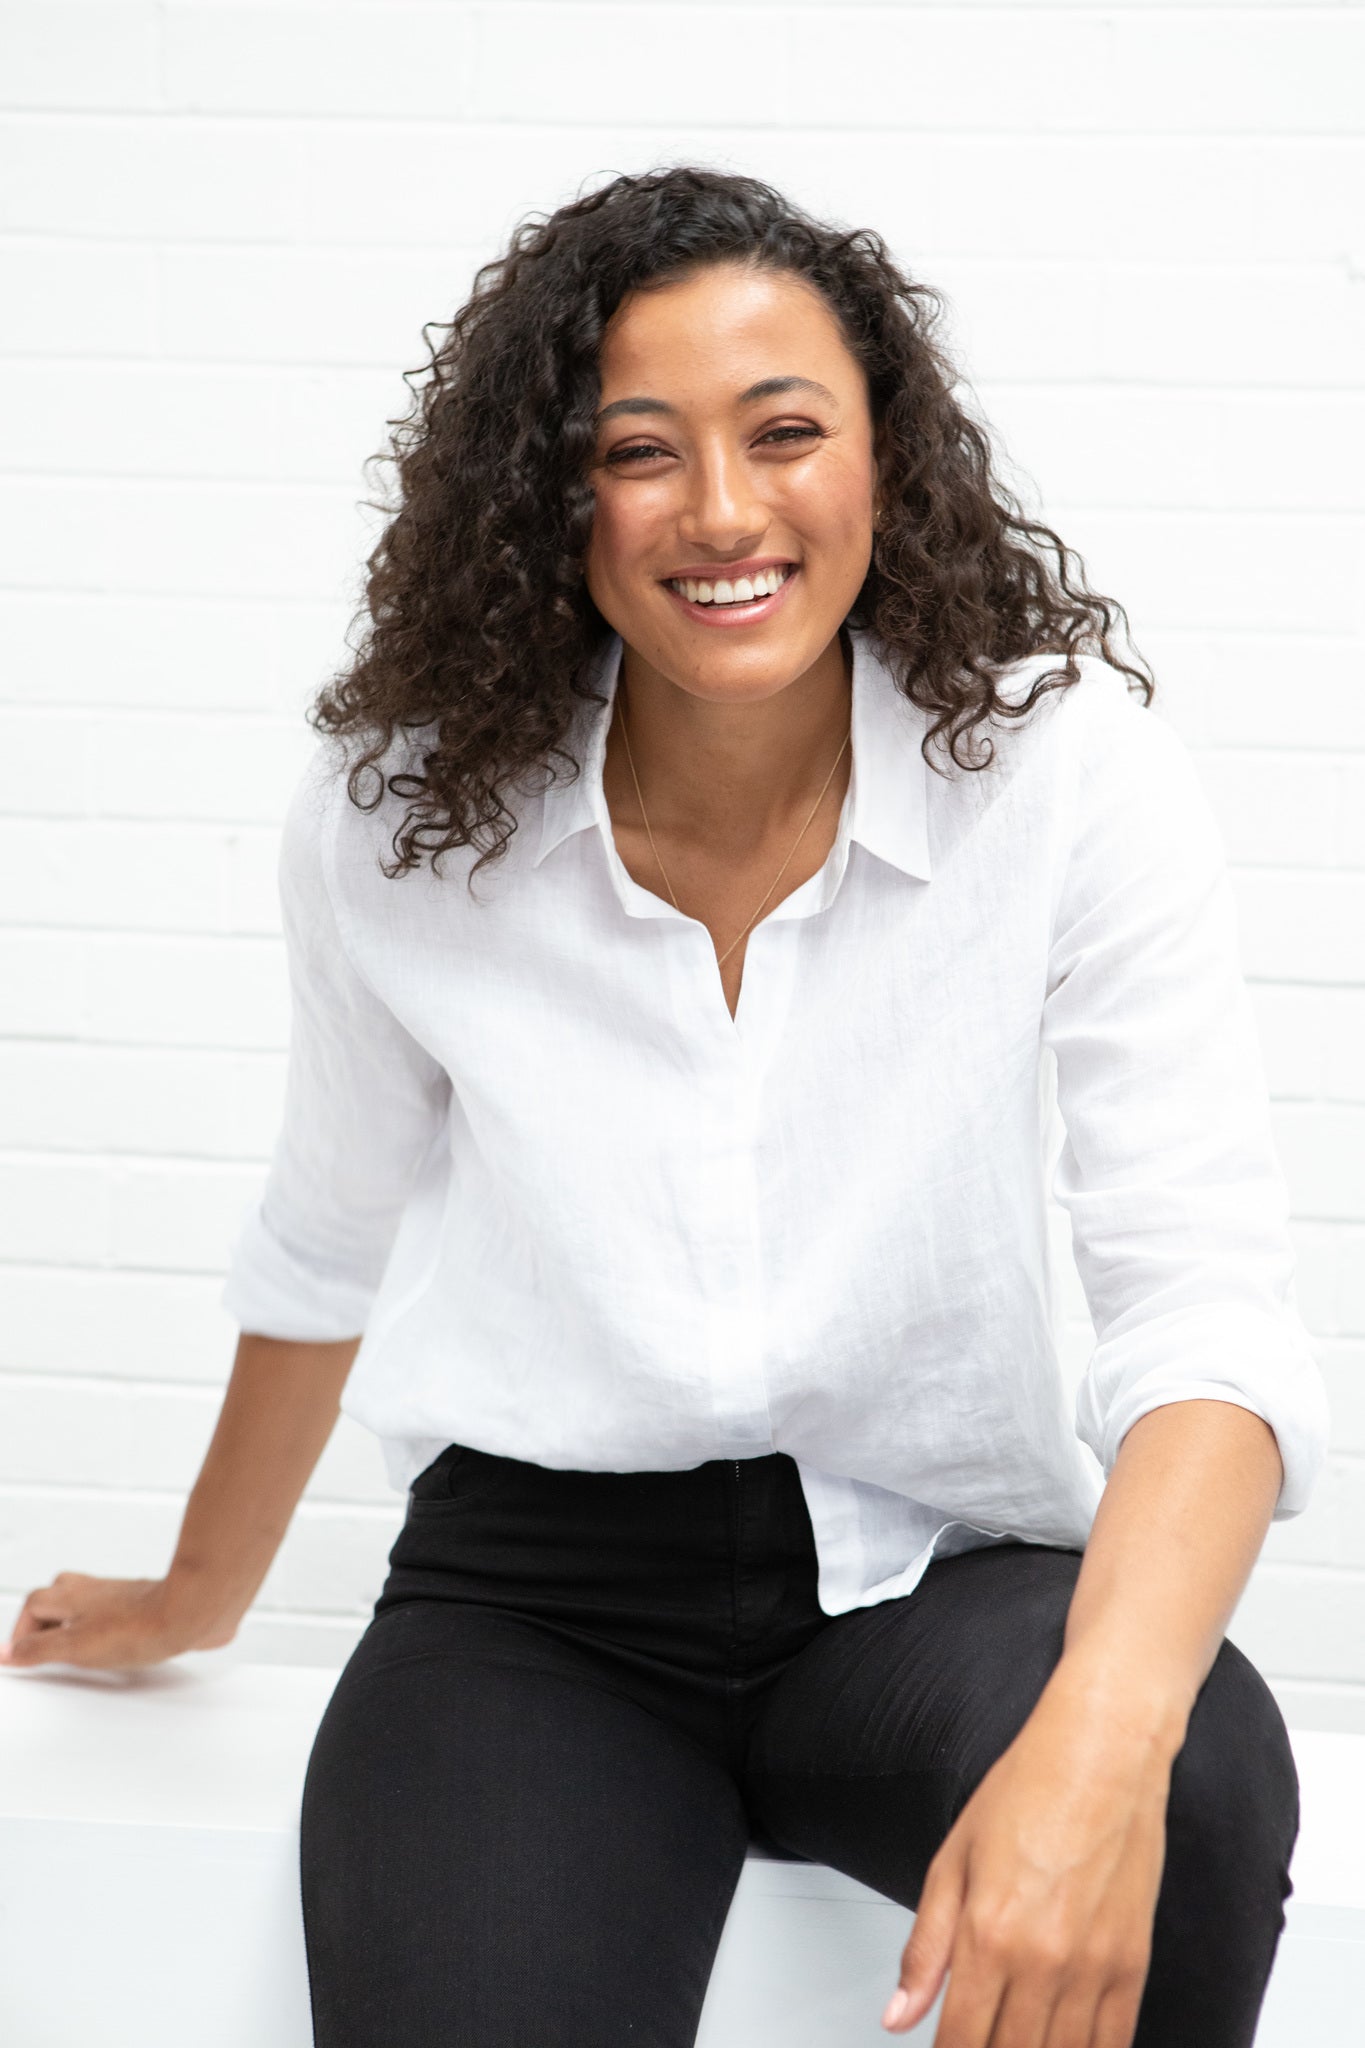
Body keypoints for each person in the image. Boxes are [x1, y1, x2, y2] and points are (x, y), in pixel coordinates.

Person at [1, 166, 1330, 2048]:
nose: (723, 511)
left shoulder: (1063, 777)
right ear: (554, 498)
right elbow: (329, 1220)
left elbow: (1198, 1300)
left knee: (1191, 1788)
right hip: (534, 1613)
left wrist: (1102, 1746)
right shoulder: (399, 826)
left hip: (932, 1580)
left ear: (886, 458)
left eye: (784, 431)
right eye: (640, 451)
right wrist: (189, 1594)